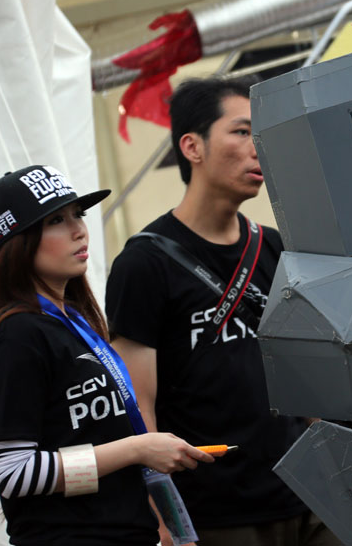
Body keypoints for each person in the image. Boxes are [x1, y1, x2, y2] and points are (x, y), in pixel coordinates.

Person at [106, 78, 337, 546]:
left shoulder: (271, 246)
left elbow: (307, 374)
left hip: (308, 495)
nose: (259, 149)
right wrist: (160, 515)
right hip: (217, 512)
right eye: (242, 132)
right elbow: (137, 405)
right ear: (192, 146)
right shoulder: (144, 263)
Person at [0, 165, 213, 546]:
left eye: (78, 214)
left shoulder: (72, 320)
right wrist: (137, 449)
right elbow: (15, 474)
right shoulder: (19, 333)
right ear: (15, 240)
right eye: (55, 220)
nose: (79, 229)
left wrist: (172, 527)